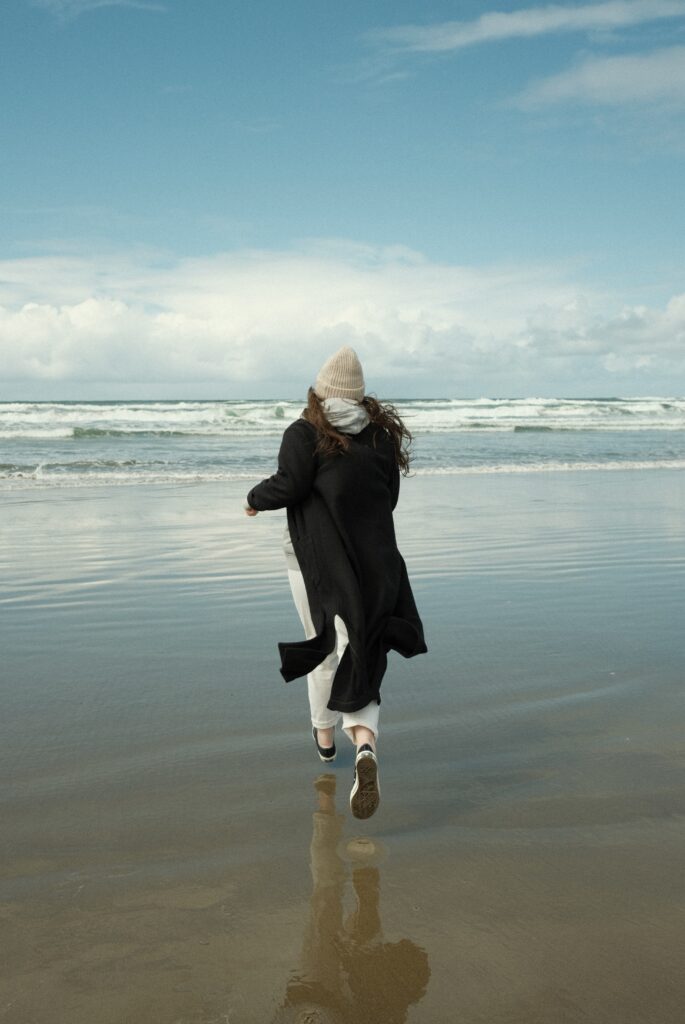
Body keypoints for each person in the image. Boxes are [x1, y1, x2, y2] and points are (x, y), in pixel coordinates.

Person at [245, 346, 427, 819]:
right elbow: (388, 498)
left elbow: (290, 484)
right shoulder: (380, 438)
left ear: (320, 391)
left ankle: (325, 742)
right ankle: (364, 743)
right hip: (376, 559)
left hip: (315, 562)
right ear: (360, 396)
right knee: (360, 644)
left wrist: (252, 499)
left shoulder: (305, 432)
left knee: (323, 642)